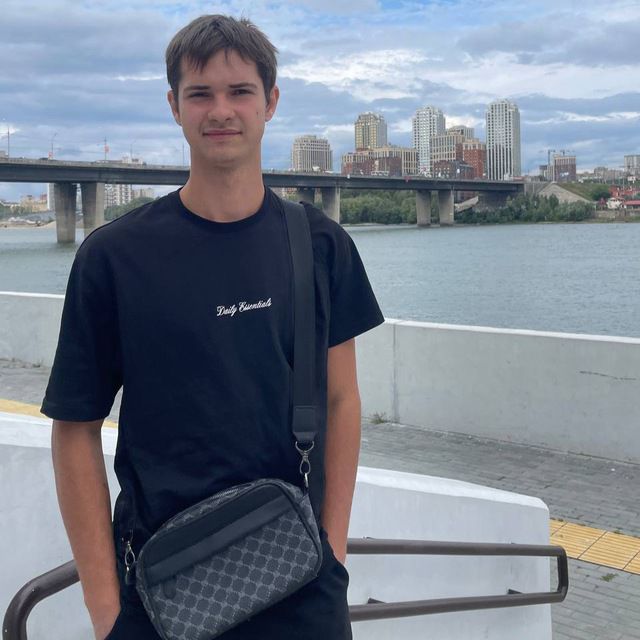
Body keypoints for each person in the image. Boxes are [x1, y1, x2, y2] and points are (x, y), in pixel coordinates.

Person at [42, 14, 384, 640]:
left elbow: (341, 398)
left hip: (302, 581)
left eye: (240, 91)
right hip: (161, 588)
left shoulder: (320, 245)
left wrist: (333, 550)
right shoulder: (114, 257)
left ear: (270, 102)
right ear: (175, 106)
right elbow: (74, 429)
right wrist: (105, 608)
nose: (221, 110)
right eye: (200, 93)